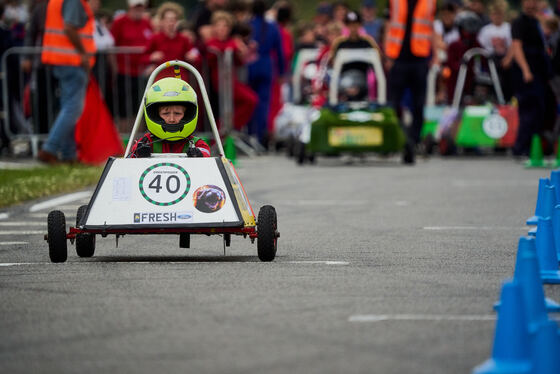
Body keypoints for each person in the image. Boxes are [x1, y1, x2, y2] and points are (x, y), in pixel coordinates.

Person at [38, 0, 96, 163]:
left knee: (68, 107)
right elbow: (69, 27)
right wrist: (83, 54)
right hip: (72, 60)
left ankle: (68, 154)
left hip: (63, 59)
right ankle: (50, 148)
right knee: (73, 108)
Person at [385, 0, 438, 164]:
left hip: (419, 59)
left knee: (418, 104)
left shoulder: (429, 2)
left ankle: (414, 141)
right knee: (392, 104)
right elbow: (389, 24)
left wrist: (435, 55)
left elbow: (430, 27)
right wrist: (387, 54)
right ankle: (393, 140)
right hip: (398, 57)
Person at [506, 0, 551, 156]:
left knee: (539, 110)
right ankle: (521, 148)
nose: (531, 4)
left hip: (539, 71)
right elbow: (516, 47)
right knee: (527, 111)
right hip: (526, 72)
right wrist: (526, 70)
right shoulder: (519, 22)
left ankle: (534, 147)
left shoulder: (537, 21)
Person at [130, 77, 210, 158]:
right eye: (166, 113)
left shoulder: (196, 143)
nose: (171, 119)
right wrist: (140, 154)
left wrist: (198, 153)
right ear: (156, 115)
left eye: (177, 113)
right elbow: (130, 161)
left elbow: (206, 152)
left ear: (186, 115)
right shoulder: (146, 141)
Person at [206, 10, 257, 132]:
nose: (222, 29)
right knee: (249, 100)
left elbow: (240, 60)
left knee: (249, 100)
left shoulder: (231, 42)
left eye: (225, 26)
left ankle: (229, 128)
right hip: (221, 82)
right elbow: (213, 54)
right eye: (218, 25)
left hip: (231, 80)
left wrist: (241, 51)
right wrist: (235, 47)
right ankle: (226, 130)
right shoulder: (212, 42)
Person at [247, 0, 285, 148]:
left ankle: (250, 134)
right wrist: (282, 71)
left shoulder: (248, 24)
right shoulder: (272, 27)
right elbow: (280, 52)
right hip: (267, 66)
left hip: (250, 65)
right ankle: (261, 136)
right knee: (263, 103)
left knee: (251, 101)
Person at [110, 0, 153, 132]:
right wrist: (115, 69)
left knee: (139, 110)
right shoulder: (119, 22)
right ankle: (124, 143)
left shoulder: (146, 23)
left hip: (142, 73)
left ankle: (136, 143)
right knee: (124, 111)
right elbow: (111, 47)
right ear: (130, 7)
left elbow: (151, 45)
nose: (139, 10)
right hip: (124, 72)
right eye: (136, 7)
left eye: (141, 7)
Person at [143, 2, 201, 80]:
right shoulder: (154, 38)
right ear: (162, 21)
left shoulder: (184, 39)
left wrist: (193, 57)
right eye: (168, 20)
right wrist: (151, 57)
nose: (171, 23)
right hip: (160, 81)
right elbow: (142, 58)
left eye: (174, 20)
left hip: (180, 80)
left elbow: (197, 56)